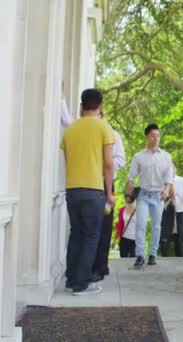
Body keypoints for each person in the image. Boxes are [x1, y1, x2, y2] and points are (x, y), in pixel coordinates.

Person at [60, 88, 115, 295]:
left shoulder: (70, 130)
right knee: (92, 236)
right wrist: (109, 193)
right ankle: (81, 284)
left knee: (76, 234)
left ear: (81, 106)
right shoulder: (104, 128)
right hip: (93, 190)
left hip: (72, 189)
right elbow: (108, 165)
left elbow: (68, 161)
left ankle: (71, 278)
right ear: (101, 106)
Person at [125, 123, 174, 268]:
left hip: (158, 196)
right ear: (147, 136)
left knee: (156, 226)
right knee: (140, 224)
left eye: (158, 135)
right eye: (153, 135)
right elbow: (131, 177)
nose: (156, 138)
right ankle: (140, 255)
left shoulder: (166, 156)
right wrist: (128, 194)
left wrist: (166, 190)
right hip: (143, 196)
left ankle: (152, 254)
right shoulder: (138, 156)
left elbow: (169, 177)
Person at [91, 111, 126, 281]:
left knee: (105, 226)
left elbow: (121, 160)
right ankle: (89, 264)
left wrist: (107, 164)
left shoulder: (114, 135)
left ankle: (101, 266)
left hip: (107, 185)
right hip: (89, 182)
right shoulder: (87, 134)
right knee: (90, 226)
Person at [161, 165, 183, 256]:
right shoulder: (161, 182)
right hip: (166, 214)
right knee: (164, 241)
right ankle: (164, 263)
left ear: (176, 169)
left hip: (181, 214)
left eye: (171, 168)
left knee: (180, 241)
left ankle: (182, 263)